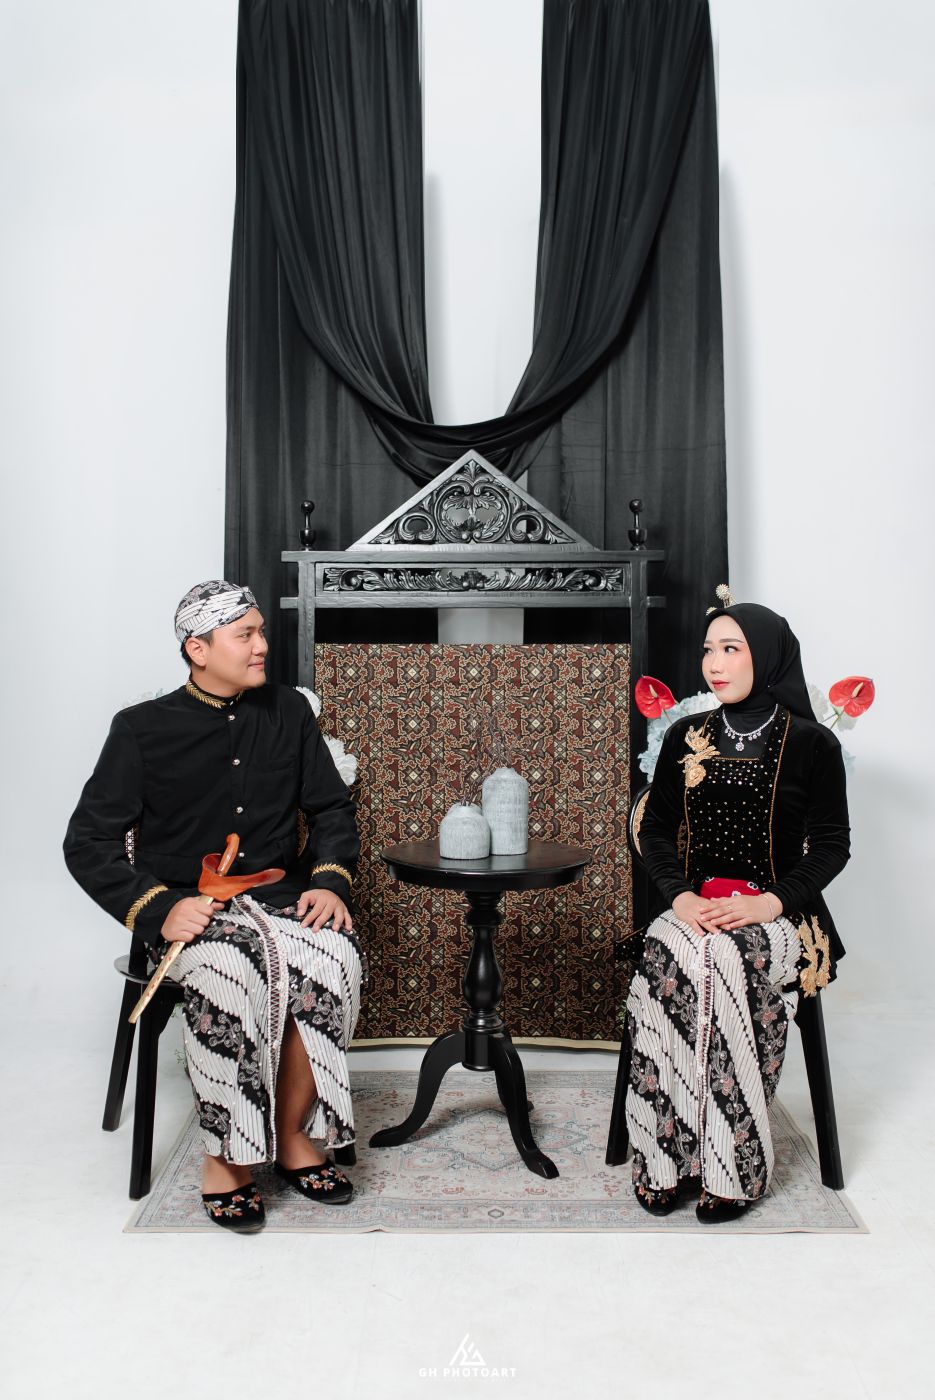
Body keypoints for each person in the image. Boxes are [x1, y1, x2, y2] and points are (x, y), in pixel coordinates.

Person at [65, 580, 365, 1232]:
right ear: (197, 649)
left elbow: (331, 810)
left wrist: (328, 881)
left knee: (333, 957)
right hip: (189, 912)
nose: (262, 646)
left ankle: (292, 1136)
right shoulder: (140, 729)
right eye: (245, 635)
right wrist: (157, 908)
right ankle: (227, 1157)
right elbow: (87, 842)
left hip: (281, 898)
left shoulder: (289, 711)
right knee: (231, 970)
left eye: (261, 631)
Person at [625, 588, 850, 1221]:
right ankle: (664, 1157)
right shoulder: (685, 735)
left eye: (731, 649)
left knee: (721, 960)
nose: (714, 663)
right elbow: (656, 832)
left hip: (783, 917)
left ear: (768, 656)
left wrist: (769, 904)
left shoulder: (812, 744)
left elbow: (833, 846)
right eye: (708, 650)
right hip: (696, 908)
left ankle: (733, 1165)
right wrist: (680, 897)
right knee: (670, 952)